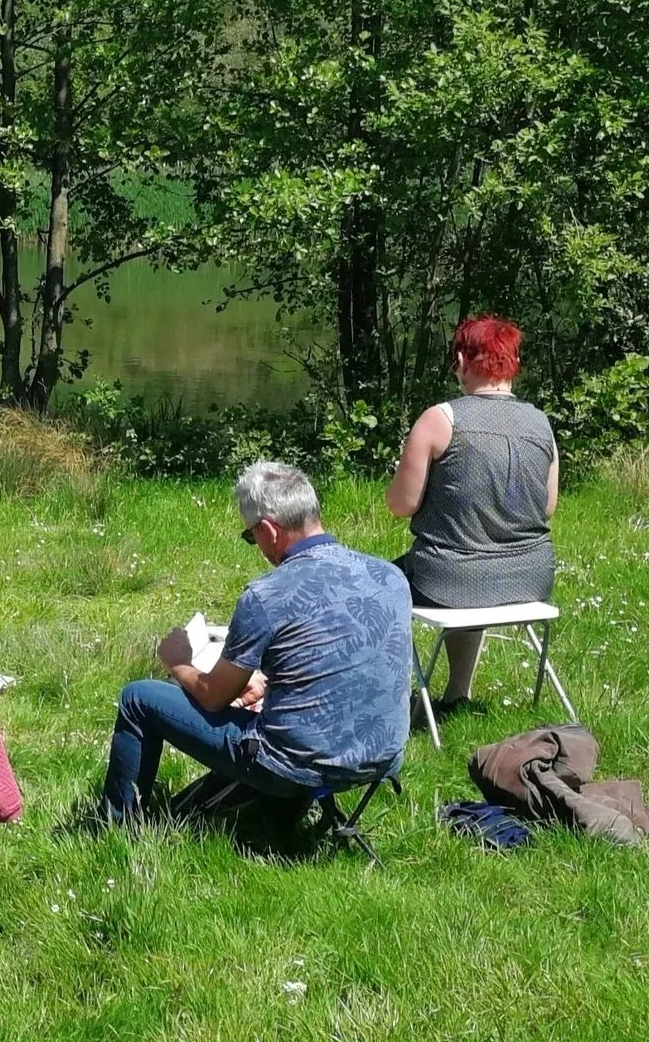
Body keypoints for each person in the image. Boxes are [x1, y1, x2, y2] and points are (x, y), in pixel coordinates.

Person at [101, 461, 411, 824]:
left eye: (251, 536)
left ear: (268, 529)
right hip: (381, 755)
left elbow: (213, 696)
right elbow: (345, 656)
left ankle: (115, 826)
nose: (256, 545)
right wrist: (264, 680)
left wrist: (179, 661)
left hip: (293, 766)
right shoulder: (390, 576)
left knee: (138, 697)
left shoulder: (267, 595)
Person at [386, 315, 560, 718]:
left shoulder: (440, 419)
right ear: (513, 363)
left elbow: (401, 504)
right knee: (472, 566)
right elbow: (547, 506)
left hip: (449, 579)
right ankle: (455, 696)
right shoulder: (541, 423)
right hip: (530, 580)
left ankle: (381, 698)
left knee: (368, 586)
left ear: (462, 359)